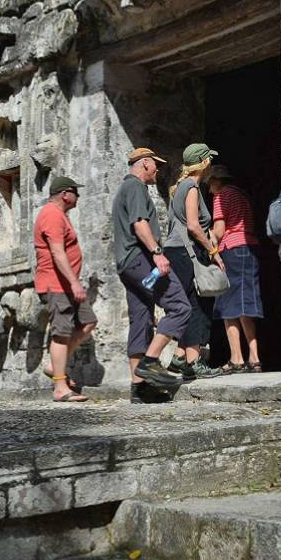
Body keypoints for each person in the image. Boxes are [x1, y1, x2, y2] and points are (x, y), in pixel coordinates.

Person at [111, 147, 191, 400]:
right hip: (141, 259)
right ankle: (151, 361)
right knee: (180, 306)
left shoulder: (125, 189)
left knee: (141, 319)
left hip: (127, 266)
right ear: (145, 163)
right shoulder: (135, 187)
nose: (158, 170)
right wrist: (157, 252)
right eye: (156, 165)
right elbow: (140, 223)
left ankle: (139, 389)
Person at [164, 143, 224, 381]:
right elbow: (193, 225)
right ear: (204, 163)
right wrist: (212, 250)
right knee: (197, 306)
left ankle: (180, 358)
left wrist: (212, 251)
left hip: (178, 252)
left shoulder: (181, 186)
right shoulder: (190, 187)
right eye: (210, 160)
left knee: (189, 303)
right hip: (185, 253)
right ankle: (193, 361)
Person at [34, 176, 97, 403]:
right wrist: (74, 282)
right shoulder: (51, 214)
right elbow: (58, 253)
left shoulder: (60, 215)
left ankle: (54, 365)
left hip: (66, 285)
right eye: (75, 192)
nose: (78, 197)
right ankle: (60, 387)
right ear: (65, 194)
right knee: (61, 333)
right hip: (56, 284)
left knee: (88, 321)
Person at [207, 165, 264, 373]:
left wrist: (207, 237)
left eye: (210, 184)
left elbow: (220, 231)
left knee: (227, 305)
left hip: (232, 250)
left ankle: (236, 358)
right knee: (246, 301)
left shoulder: (221, 197)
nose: (209, 190)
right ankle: (255, 357)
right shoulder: (243, 196)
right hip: (250, 248)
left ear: (216, 181)